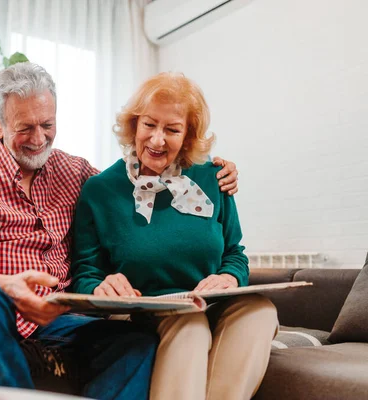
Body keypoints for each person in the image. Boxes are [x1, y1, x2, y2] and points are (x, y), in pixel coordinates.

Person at [0, 63, 239, 399]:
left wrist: (212, 172)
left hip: (57, 318)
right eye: (25, 128)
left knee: (135, 344)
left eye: (47, 124)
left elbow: (132, 187)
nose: (38, 138)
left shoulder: (75, 172)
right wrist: (7, 285)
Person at [70, 72, 278, 400]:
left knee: (260, 310)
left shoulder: (214, 178)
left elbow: (234, 252)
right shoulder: (100, 191)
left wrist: (229, 276)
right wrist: (100, 285)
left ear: (188, 135)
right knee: (190, 326)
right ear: (133, 125)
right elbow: (85, 272)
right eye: (149, 125)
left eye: (172, 129)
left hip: (210, 303)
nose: (157, 140)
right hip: (148, 312)